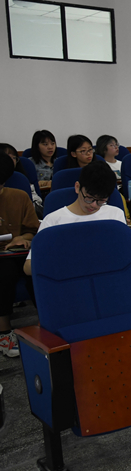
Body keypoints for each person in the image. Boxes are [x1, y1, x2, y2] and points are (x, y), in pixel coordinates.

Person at [26, 160, 126, 278]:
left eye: (101, 200)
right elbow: (28, 267)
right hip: (68, 279)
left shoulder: (115, 215)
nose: (94, 205)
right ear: (77, 187)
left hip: (106, 277)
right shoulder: (54, 220)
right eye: (89, 198)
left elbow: (123, 254)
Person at [0, 153, 39, 357]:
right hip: (2, 261)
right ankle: (4, 332)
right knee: (5, 273)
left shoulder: (19, 196)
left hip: (17, 252)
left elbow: (32, 229)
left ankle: (47, 323)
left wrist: (22, 238)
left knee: (37, 268)